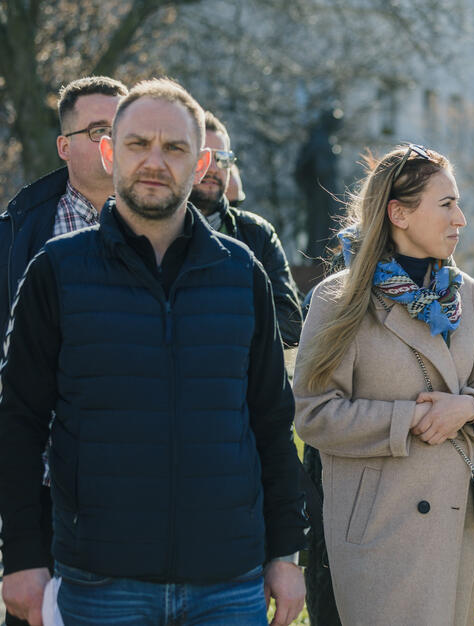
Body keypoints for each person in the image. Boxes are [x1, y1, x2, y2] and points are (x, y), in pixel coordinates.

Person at [0, 78, 306, 626]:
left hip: (229, 581)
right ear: (110, 151)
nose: (155, 161)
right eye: (139, 144)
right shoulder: (56, 270)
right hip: (100, 580)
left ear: (203, 161)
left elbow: (272, 425)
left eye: (175, 147)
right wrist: (21, 557)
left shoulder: (242, 275)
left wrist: (285, 553)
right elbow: (18, 421)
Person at [293, 144, 474, 625]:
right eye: (447, 204)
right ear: (399, 213)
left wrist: (468, 408)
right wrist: (410, 418)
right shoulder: (339, 298)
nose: (462, 218)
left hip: (454, 521)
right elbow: (314, 414)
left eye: (458, 202)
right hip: (379, 527)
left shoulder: (464, 294)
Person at [0, 75, 127, 626]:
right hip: (50, 489)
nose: (112, 144)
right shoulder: (19, 231)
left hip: (147, 485)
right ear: (63, 145)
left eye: (121, 129)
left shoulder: (173, 226)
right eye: (97, 130)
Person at [188, 111, 302, 347]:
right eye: (203, 157)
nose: (213, 168)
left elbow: (290, 326)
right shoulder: (158, 230)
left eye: (222, 158)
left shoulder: (258, 233)